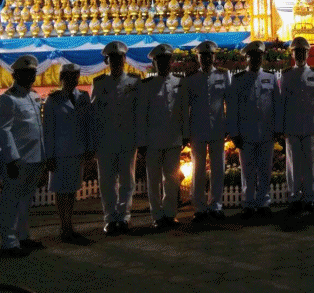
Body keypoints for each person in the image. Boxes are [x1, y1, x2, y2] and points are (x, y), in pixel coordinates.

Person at [0, 55, 46, 257]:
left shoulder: (33, 96)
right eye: (26, 73)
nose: (31, 77)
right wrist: (11, 158)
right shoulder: (7, 99)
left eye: (32, 73)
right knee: (11, 201)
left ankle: (23, 236)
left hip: (34, 157)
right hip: (18, 160)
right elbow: (4, 130)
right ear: (15, 75)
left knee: (26, 201)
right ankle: (9, 242)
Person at [91, 41, 141, 235]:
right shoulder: (100, 83)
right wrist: (94, 141)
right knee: (107, 182)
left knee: (127, 180)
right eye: (112, 59)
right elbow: (95, 114)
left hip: (128, 138)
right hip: (106, 140)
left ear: (125, 59)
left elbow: (139, 111)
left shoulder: (134, 82)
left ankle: (124, 217)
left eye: (119, 58)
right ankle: (110, 218)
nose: (116, 62)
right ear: (107, 61)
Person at [227, 41, 280, 219]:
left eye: (258, 56)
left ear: (262, 58)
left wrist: (277, 129)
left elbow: (277, 104)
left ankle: (263, 202)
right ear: (247, 58)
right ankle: (248, 203)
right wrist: (234, 133)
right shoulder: (238, 79)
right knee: (247, 171)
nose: (256, 59)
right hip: (246, 133)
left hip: (266, 131)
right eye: (252, 56)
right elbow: (232, 108)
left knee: (265, 169)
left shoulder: (270, 77)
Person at [180, 40, 230, 223]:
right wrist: (186, 132)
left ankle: (216, 205)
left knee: (218, 168)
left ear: (214, 57)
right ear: (198, 58)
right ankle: (199, 207)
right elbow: (185, 108)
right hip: (197, 129)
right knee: (198, 169)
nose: (206, 59)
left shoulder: (223, 75)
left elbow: (229, 103)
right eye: (202, 56)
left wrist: (229, 126)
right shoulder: (191, 78)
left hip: (217, 128)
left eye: (209, 56)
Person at [137, 44, 186, 230]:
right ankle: (157, 215)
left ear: (171, 62)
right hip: (153, 140)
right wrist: (142, 141)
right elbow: (141, 115)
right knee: (154, 180)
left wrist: (185, 135)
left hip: (173, 138)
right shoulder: (147, 85)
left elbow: (184, 110)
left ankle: (170, 214)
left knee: (172, 180)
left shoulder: (180, 82)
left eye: (166, 61)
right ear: (154, 63)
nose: (163, 64)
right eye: (159, 61)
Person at [43, 63, 93, 244]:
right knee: (61, 191)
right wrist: (49, 156)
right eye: (68, 77)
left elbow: (88, 125)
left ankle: (69, 225)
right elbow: (48, 130)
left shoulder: (83, 97)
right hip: (59, 153)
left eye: (75, 77)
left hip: (77, 151)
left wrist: (89, 148)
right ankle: (64, 226)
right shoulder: (53, 100)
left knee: (72, 190)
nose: (72, 80)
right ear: (62, 78)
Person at [277, 36, 314, 215]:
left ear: (308, 53)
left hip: (310, 124)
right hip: (292, 125)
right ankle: (294, 197)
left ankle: (311, 198)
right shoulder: (287, 75)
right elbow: (282, 102)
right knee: (293, 165)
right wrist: (282, 127)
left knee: (310, 164)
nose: (300, 55)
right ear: (292, 54)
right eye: (297, 52)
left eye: (303, 52)